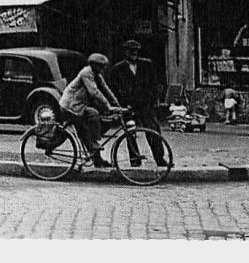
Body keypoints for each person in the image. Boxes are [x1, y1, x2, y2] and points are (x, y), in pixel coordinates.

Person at [109, 39, 169, 167]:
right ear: (125, 52)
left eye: (136, 51)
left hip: (145, 105)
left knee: (153, 131)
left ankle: (159, 158)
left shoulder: (147, 65)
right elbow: (114, 89)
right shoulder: (117, 69)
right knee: (130, 133)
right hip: (128, 107)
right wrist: (121, 105)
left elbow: (154, 84)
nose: (134, 53)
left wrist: (153, 100)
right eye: (131, 51)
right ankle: (135, 160)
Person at [58, 53, 121, 168]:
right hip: (71, 106)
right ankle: (95, 148)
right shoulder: (86, 73)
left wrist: (118, 105)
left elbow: (106, 90)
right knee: (93, 115)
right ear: (93, 65)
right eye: (101, 66)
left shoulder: (96, 75)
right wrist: (108, 106)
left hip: (79, 105)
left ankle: (97, 158)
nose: (103, 69)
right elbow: (94, 92)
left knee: (97, 124)